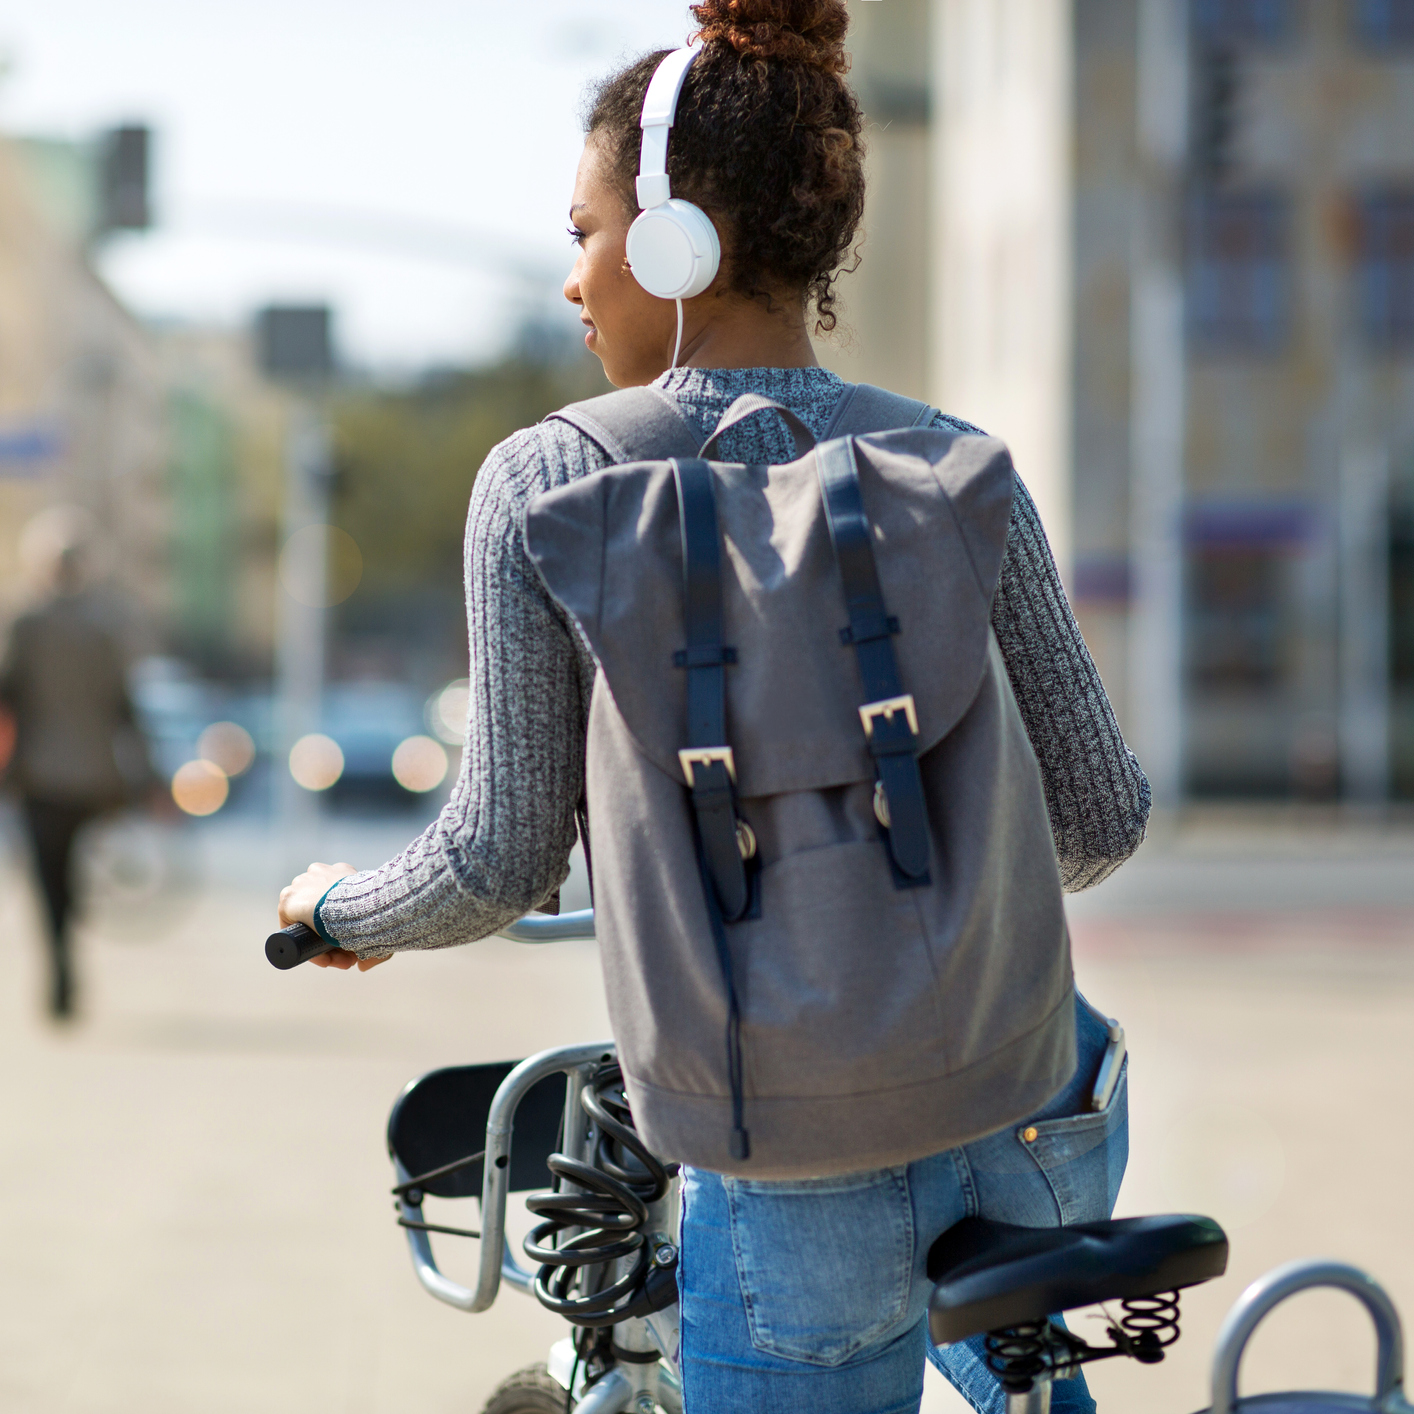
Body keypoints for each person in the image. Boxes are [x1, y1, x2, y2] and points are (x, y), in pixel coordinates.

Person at [277, 3, 1151, 1410]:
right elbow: (1101, 815)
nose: (573, 281)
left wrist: (335, 910)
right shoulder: (958, 465)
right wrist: (907, 907)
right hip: (1037, 1103)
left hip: (788, 1148)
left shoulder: (550, 483)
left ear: (674, 237)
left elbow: (496, 860)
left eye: (582, 234)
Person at [0, 507, 146, 1023]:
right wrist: (143, 767)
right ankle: (68, 942)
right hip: (94, 775)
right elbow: (126, 700)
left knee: (46, 872)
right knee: (67, 867)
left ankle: (60, 966)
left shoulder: (18, 615)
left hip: (38, 772)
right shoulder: (108, 622)